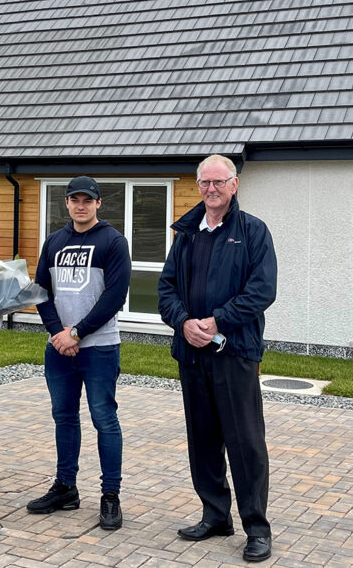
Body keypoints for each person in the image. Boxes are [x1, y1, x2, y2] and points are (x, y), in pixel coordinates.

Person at [157, 155, 278, 563]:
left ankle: (256, 528)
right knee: (203, 439)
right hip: (192, 355)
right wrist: (184, 322)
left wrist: (217, 321)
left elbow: (262, 291)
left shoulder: (253, 232)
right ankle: (215, 515)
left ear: (234, 185)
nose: (211, 189)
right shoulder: (187, 234)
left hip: (235, 353)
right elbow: (166, 289)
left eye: (219, 182)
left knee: (245, 443)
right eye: (204, 183)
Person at [26, 176, 131, 530]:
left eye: (88, 200)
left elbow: (114, 297)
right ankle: (66, 487)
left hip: (99, 348)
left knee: (104, 419)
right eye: (75, 200)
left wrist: (76, 332)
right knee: (64, 417)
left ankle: (110, 496)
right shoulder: (54, 241)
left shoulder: (113, 241)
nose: (81, 205)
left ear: (99, 203)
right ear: (67, 203)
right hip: (59, 350)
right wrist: (58, 333)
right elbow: (41, 292)